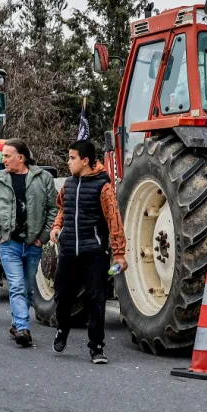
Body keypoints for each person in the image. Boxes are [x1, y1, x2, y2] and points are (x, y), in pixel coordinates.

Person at [50, 140, 128, 364]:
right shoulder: (68, 184)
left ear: (85, 160)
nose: (68, 162)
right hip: (68, 252)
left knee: (96, 299)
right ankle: (62, 329)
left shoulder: (104, 187)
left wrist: (119, 254)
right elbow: (64, 209)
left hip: (93, 253)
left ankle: (96, 347)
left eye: (72, 158)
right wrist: (56, 227)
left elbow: (114, 221)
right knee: (63, 297)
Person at [0, 139, 57, 347]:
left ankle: (17, 324)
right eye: (3, 155)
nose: (3, 159)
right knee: (16, 286)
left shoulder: (43, 179)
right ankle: (23, 327)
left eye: (7, 155)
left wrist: (42, 238)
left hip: (34, 244)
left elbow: (53, 209)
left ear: (21, 158)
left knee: (27, 289)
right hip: (9, 244)